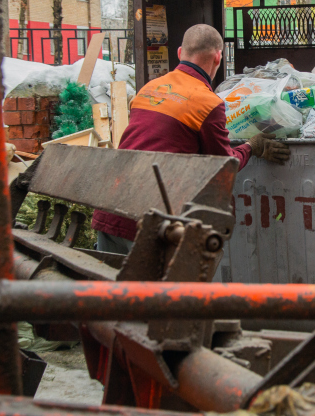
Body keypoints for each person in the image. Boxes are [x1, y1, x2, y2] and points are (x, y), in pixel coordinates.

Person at [92, 24, 290, 254]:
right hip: (150, 222)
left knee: (113, 290)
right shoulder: (207, 103)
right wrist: (252, 146)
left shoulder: (148, 89)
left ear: (179, 53)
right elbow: (223, 166)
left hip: (110, 209)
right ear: (218, 58)